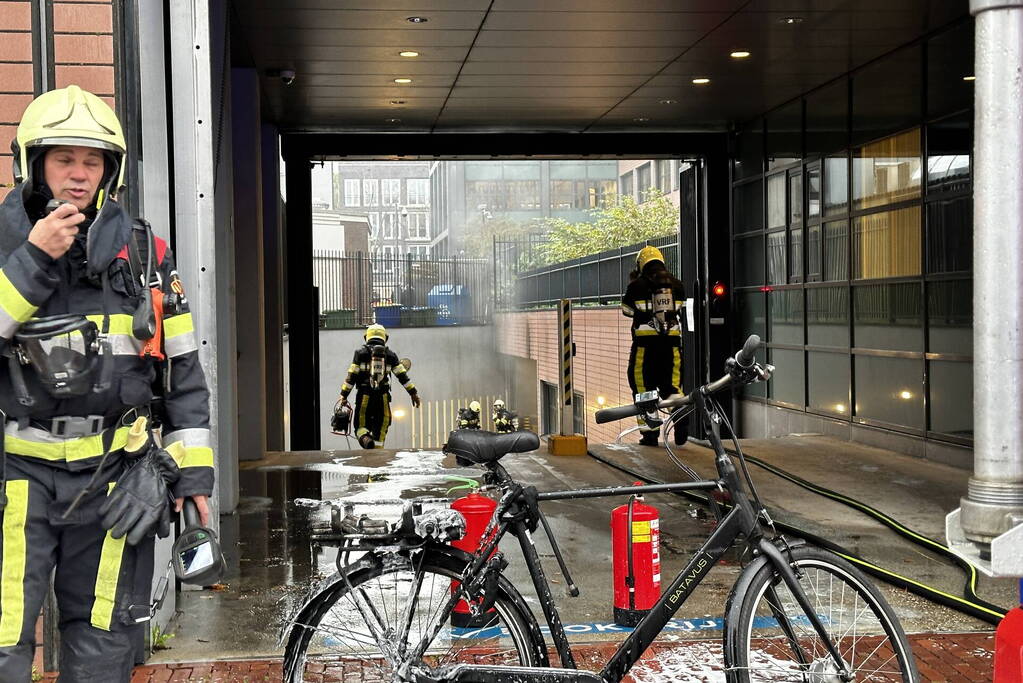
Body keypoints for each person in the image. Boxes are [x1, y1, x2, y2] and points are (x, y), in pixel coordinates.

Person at [0, 86, 214, 681]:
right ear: (33, 164)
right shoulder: (3, 245)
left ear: (109, 171)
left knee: (103, 647)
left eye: (92, 161)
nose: (78, 175)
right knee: (3, 646)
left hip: (114, 481)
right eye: (64, 159)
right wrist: (33, 259)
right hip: (17, 481)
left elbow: (183, 372)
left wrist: (187, 476)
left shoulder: (144, 253)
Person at [621, 246, 687, 447]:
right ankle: (681, 421)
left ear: (641, 263)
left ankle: (650, 434)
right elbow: (681, 308)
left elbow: (626, 310)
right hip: (672, 346)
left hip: (645, 348)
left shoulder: (637, 286)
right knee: (673, 386)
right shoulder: (677, 285)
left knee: (642, 387)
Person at [339, 324, 420, 449]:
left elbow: (351, 376)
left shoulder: (360, 353)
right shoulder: (391, 355)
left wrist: (344, 395)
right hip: (383, 397)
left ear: (367, 337)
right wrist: (413, 393)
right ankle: (377, 452)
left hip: (364, 395)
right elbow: (403, 376)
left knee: (360, 425)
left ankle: (366, 438)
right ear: (384, 338)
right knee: (382, 425)